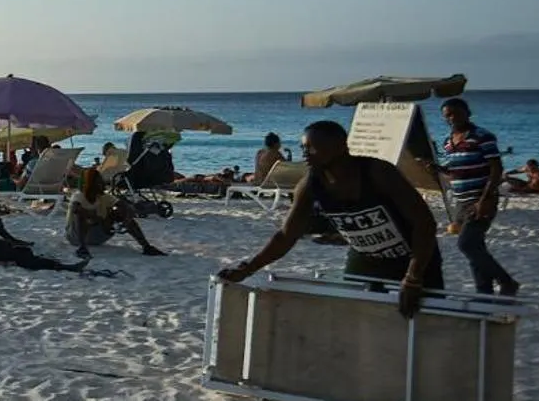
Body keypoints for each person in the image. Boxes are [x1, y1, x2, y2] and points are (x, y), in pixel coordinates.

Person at [219, 119, 442, 317]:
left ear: (340, 147)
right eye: (302, 147)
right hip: (367, 259)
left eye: (312, 147)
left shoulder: (378, 173)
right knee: (363, 320)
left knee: (425, 321)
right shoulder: (310, 185)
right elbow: (286, 235)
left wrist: (414, 276)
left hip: (415, 257)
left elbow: (425, 223)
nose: (305, 153)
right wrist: (248, 268)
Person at [434, 97, 517, 295]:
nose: (452, 118)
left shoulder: (482, 136)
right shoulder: (448, 142)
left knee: (467, 244)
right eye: (448, 116)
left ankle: (507, 282)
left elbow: (496, 169)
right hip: (461, 202)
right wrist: (436, 168)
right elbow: (455, 170)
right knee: (475, 247)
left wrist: (485, 201)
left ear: (468, 113)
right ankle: (484, 293)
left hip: (480, 199)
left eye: (456, 113)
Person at [0, 184, 86, 272]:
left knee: (22, 252)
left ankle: (54, 264)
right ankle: (62, 267)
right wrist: (6, 244)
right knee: (21, 255)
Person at [64, 168, 166, 257]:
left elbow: (125, 206)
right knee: (81, 215)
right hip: (76, 237)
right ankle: (82, 248)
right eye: (99, 183)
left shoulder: (104, 197)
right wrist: (98, 218)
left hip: (99, 236)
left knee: (119, 211)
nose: (103, 185)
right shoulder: (79, 196)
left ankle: (146, 247)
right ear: (91, 184)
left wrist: (126, 217)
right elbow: (76, 209)